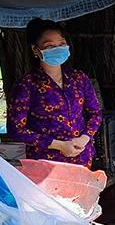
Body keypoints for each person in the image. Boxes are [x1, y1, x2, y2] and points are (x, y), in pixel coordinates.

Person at [7, 18, 102, 168]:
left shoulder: (79, 78)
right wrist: (58, 145)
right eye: (50, 46)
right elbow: (16, 129)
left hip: (82, 159)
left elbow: (95, 113)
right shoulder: (26, 85)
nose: (57, 49)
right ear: (35, 50)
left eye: (62, 44)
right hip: (45, 163)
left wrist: (85, 138)